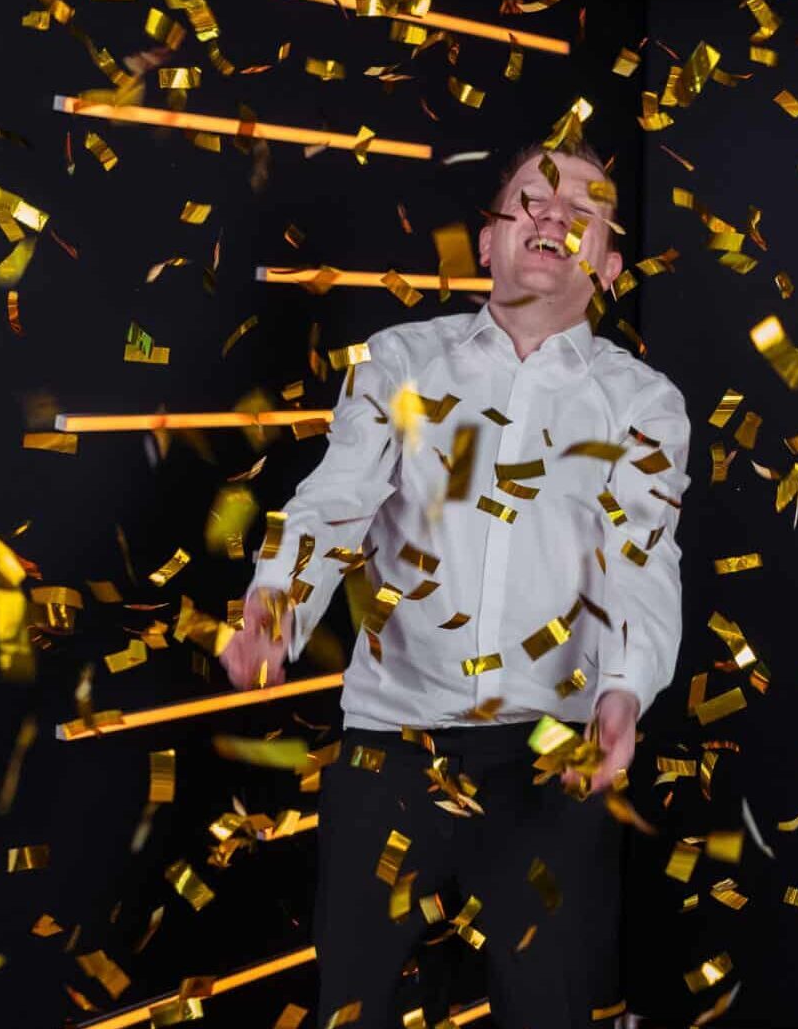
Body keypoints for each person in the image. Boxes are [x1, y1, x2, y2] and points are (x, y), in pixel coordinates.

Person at [218, 141, 691, 1027]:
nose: (551, 217)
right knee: (352, 1010)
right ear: (488, 241)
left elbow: (644, 557)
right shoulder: (400, 359)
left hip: (555, 756)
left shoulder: (644, 401)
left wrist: (627, 692)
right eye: (529, 202)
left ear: (610, 262)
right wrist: (276, 603)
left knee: (548, 1011)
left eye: (580, 209)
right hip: (391, 748)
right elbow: (336, 498)